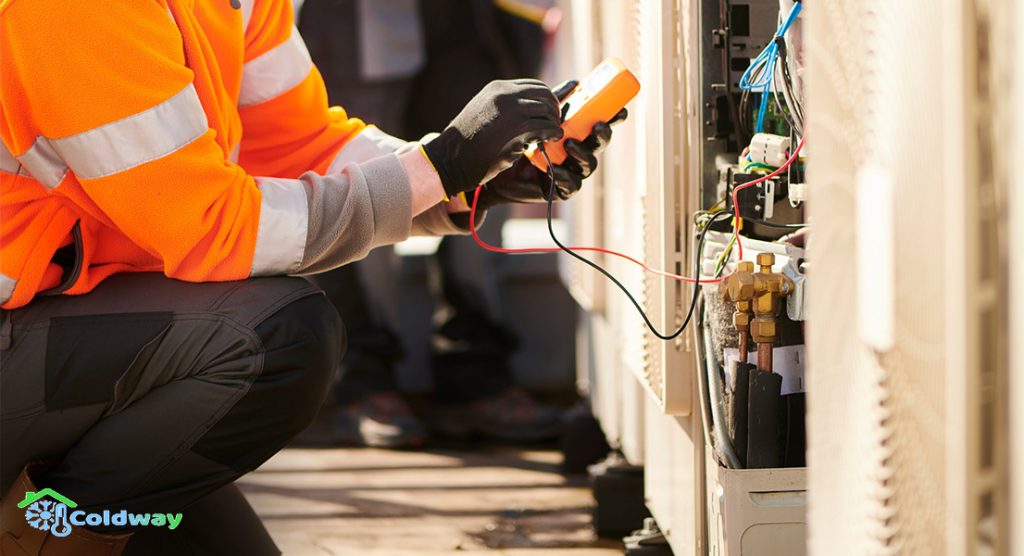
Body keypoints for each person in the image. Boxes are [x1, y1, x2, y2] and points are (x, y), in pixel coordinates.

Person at [0, 0, 619, 553]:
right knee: (276, 337)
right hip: (21, 334)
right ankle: (35, 529)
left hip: (56, 323)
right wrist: (443, 163)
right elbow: (211, 229)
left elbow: (304, 145)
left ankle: (54, 520)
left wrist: (470, 180)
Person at [298, 0, 583, 448]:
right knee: (344, 163)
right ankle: (365, 380)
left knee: (492, 151)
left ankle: (472, 372)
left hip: (474, 14)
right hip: (350, 15)